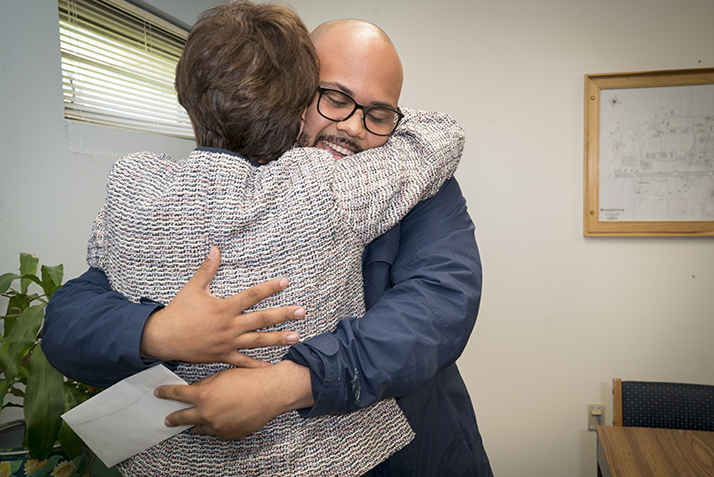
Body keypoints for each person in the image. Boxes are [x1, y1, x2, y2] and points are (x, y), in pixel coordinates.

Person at [42, 13, 493, 477]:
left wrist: (289, 384)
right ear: (291, 94)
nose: (356, 128)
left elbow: (440, 306)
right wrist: (159, 331)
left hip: (411, 454)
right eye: (336, 98)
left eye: (378, 114)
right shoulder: (181, 196)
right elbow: (70, 318)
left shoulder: (415, 184)